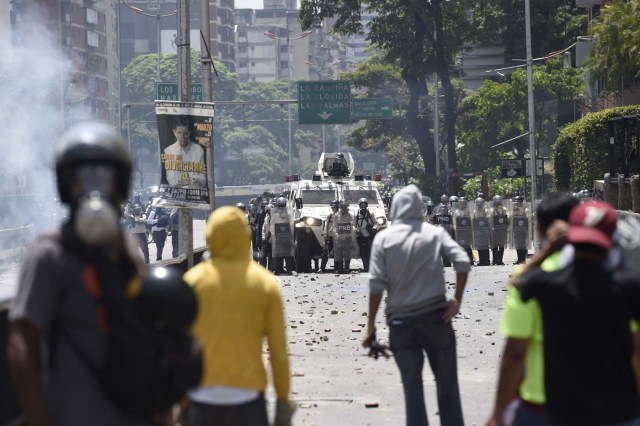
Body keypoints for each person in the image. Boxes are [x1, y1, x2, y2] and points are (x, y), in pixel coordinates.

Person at [7, 121, 160, 425]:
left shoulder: (126, 250)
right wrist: (40, 417)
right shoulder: (49, 254)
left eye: (104, 177)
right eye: (83, 177)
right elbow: (22, 343)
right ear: (67, 185)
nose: (94, 187)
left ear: (120, 183)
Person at [513, 201, 640, 426]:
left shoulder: (550, 284)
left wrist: (548, 250)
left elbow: (520, 282)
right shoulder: (628, 285)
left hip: (565, 411)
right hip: (620, 410)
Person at [363, 184, 470, 426]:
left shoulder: (384, 238)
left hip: (400, 325)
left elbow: (376, 285)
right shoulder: (435, 233)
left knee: (412, 390)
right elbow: (462, 262)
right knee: (447, 387)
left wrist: (370, 325)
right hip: (437, 320)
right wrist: (457, 300)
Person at [182, 206, 295, 426]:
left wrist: (180, 401)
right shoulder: (265, 284)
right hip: (248, 400)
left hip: (200, 400)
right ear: (246, 235)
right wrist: (282, 401)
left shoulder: (191, 282)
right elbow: (278, 351)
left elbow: (177, 347)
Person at [491, 192, 579, 426]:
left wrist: (499, 412)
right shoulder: (608, 272)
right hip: (599, 400)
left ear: (539, 229)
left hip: (541, 402)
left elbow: (515, 353)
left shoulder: (528, 279)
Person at [163, 122, 206, 188]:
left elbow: (203, 179)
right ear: (174, 132)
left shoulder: (199, 150)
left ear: (189, 132)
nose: (182, 136)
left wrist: (192, 180)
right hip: (178, 194)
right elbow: (171, 181)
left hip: (195, 194)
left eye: (185, 133)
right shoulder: (168, 151)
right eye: (179, 133)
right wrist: (193, 180)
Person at [267, 197, 295, 275]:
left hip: (286, 236)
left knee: (288, 254)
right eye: (281, 205)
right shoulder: (275, 214)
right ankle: (278, 270)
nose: (282, 207)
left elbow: (291, 225)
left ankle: (289, 270)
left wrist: (291, 235)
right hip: (278, 236)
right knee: (277, 254)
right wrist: (273, 235)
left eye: (283, 205)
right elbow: (272, 226)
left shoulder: (289, 214)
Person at [332, 201, 356, 273]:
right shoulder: (336, 215)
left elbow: (352, 224)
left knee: (347, 253)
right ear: (340, 207)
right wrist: (335, 233)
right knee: (338, 253)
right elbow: (334, 226)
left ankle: (347, 268)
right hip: (339, 237)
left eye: (345, 206)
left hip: (347, 237)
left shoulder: (350, 215)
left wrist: (353, 230)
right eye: (342, 206)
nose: (344, 208)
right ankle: (340, 268)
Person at [355, 197, 377, 272]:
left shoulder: (370, 213)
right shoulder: (357, 214)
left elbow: (376, 223)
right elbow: (354, 225)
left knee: (370, 251)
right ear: (359, 205)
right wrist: (356, 230)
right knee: (362, 252)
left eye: (364, 204)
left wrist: (374, 228)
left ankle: (371, 267)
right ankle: (366, 267)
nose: (363, 206)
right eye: (362, 204)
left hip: (369, 235)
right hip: (361, 236)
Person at [319, 199, 339, 273]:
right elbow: (326, 226)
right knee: (325, 253)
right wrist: (325, 235)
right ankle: (322, 268)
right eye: (332, 207)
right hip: (330, 238)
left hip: (338, 238)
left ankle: (336, 269)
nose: (333, 209)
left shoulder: (341, 216)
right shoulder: (330, 216)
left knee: (337, 253)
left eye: (334, 207)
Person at [454, 197, 475, 265]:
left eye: (463, 203)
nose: (462, 204)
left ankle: (470, 261)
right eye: (461, 203)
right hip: (459, 231)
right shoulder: (456, 212)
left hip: (467, 231)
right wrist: (456, 230)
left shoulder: (468, 211)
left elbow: (471, 221)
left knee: (468, 247)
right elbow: (454, 222)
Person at [490, 195, 509, 266]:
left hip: (502, 230)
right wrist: (492, 228)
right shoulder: (492, 210)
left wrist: (506, 227)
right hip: (494, 230)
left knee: (501, 245)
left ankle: (500, 260)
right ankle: (495, 260)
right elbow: (490, 221)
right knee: (494, 246)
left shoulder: (504, 210)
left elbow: (508, 219)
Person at [472, 196, 491, 266]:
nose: (479, 204)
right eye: (477, 203)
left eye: (480, 203)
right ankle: (481, 261)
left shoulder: (486, 211)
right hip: (478, 231)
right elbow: (473, 221)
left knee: (485, 246)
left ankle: (486, 261)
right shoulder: (475, 211)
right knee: (479, 247)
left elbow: (488, 221)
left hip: (484, 231)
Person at [512, 195, 530, 265]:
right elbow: (512, 218)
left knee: (523, 244)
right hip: (517, 229)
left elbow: (528, 219)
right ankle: (519, 259)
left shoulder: (526, 210)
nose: (517, 204)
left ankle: (523, 259)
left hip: (523, 230)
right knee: (517, 244)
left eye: (518, 203)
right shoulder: (515, 210)